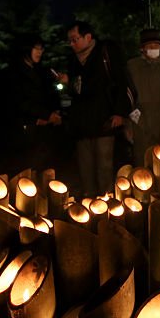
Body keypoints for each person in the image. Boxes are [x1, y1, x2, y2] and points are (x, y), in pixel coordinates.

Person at [64, 21, 131, 197]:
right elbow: (77, 90)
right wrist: (68, 83)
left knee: (104, 166)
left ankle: (106, 203)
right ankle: (88, 204)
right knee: (85, 168)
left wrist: (119, 112)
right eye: (70, 40)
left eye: (75, 39)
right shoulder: (73, 60)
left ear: (88, 37)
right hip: (82, 124)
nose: (72, 44)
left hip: (105, 120)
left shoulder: (105, 52)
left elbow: (121, 82)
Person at [4, 33, 63, 172]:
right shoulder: (16, 72)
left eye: (41, 49)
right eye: (36, 48)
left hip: (43, 129)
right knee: (29, 169)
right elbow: (19, 101)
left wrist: (54, 112)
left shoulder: (40, 71)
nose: (39, 52)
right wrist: (44, 115)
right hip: (25, 130)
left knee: (44, 167)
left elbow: (46, 96)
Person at [127, 28, 160, 165]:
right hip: (141, 120)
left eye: (156, 46)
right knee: (143, 160)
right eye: (149, 46)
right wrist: (134, 119)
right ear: (142, 48)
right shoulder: (132, 67)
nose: (153, 48)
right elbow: (127, 96)